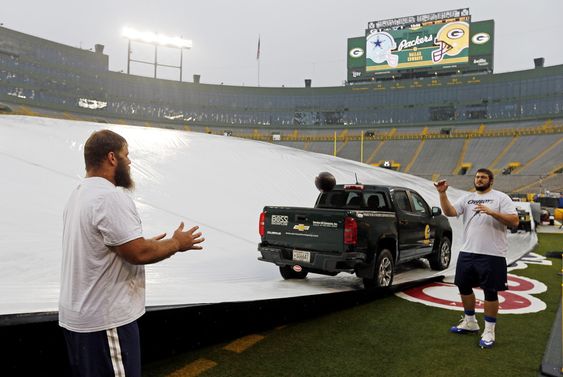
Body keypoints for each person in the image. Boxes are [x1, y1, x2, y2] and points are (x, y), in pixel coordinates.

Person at [59, 129, 205, 376]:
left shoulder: (79, 194)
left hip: (79, 321)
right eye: (126, 155)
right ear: (112, 158)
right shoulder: (109, 197)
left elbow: (106, 245)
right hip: (106, 323)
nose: (130, 161)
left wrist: (135, 242)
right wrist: (177, 243)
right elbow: (138, 253)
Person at [434, 168, 518, 349]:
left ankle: (489, 330)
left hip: (493, 253)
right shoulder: (467, 198)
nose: (479, 180)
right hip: (468, 251)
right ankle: (470, 322)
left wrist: (492, 212)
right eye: (477, 177)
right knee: (463, 286)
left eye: (483, 177)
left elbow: (514, 221)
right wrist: (442, 194)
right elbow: (450, 212)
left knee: (490, 291)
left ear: (491, 181)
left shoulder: (501, 198)